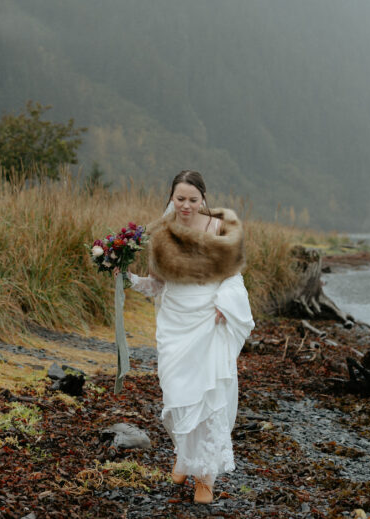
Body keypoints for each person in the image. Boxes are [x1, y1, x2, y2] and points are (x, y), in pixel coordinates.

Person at [127, 170, 254, 504]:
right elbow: (157, 285)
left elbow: (233, 278)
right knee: (178, 394)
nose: (185, 205)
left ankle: (206, 477)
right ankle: (184, 457)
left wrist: (227, 306)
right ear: (171, 197)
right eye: (179, 198)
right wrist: (126, 277)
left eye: (192, 200)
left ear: (203, 199)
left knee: (208, 397)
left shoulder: (219, 229)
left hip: (209, 319)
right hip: (174, 323)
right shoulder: (162, 234)